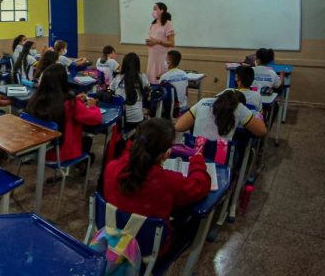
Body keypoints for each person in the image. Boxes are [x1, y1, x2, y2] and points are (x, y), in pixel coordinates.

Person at [103, 118, 211, 255]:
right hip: (148, 248)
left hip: (112, 235)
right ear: (165, 153)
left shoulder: (111, 168)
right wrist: (197, 160)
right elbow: (200, 186)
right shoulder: (167, 182)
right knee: (192, 222)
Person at [26, 64, 101, 165]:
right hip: (60, 154)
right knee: (87, 139)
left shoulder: (35, 99)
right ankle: (82, 165)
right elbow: (95, 119)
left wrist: (77, 100)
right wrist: (93, 106)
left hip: (38, 150)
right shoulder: (70, 103)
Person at [175, 89, 267, 141]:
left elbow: (179, 126)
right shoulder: (240, 108)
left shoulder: (203, 102)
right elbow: (262, 131)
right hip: (221, 159)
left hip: (196, 155)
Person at [110, 52, 149, 130]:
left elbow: (110, 91)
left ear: (124, 65)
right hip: (137, 119)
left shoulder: (117, 79)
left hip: (119, 119)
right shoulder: (142, 77)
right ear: (137, 65)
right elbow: (147, 88)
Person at [146, 2, 175, 84]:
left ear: (162, 10)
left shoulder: (168, 23)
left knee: (161, 81)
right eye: (153, 9)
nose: (153, 11)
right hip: (152, 57)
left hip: (162, 57)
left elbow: (172, 43)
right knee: (151, 81)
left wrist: (157, 41)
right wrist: (149, 42)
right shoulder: (153, 24)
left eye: (155, 9)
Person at [159, 50, 189, 115]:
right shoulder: (184, 74)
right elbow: (186, 93)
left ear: (169, 62)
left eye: (166, 59)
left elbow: (162, 96)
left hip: (172, 110)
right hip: (184, 108)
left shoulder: (164, 77)